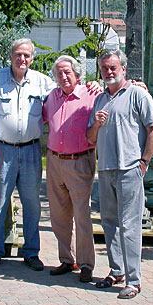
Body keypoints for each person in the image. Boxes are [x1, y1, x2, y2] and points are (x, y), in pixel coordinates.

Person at [0, 38, 100, 272]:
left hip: (32, 151)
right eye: (18, 54)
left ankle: (31, 252)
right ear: (10, 56)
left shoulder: (43, 83)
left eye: (26, 55)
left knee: (32, 204)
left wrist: (93, 84)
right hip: (2, 150)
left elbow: (68, 92)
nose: (22, 59)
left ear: (31, 59)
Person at [87, 49, 153, 299]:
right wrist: (96, 123)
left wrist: (144, 162)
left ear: (123, 69)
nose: (109, 71)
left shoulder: (138, 94)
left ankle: (134, 280)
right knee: (109, 223)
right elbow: (89, 137)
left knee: (130, 225)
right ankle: (116, 270)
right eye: (105, 68)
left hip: (130, 169)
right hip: (106, 168)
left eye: (113, 67)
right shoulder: (99, 99)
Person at [43, 55, 99, 283]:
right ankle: (68, 259)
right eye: (59, 73)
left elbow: (115, 96)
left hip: (80, 161)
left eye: (68, 72)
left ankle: (86, 264)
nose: (64, 76)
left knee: (82, 215)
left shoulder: (91, 95)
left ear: (77, 74)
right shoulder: (52, 97)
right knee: (58, 215)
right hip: (54, 161)